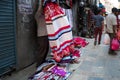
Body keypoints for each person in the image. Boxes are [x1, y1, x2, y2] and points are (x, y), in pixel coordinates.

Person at [34, 0, 49, 67]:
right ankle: (39, 65)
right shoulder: (38, 16)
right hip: (41, 36)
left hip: (46, 35)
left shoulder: (45, 16)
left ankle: (42, 63)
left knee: (46, 50)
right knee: (41, 52)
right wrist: (41, 2)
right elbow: (40, 8)